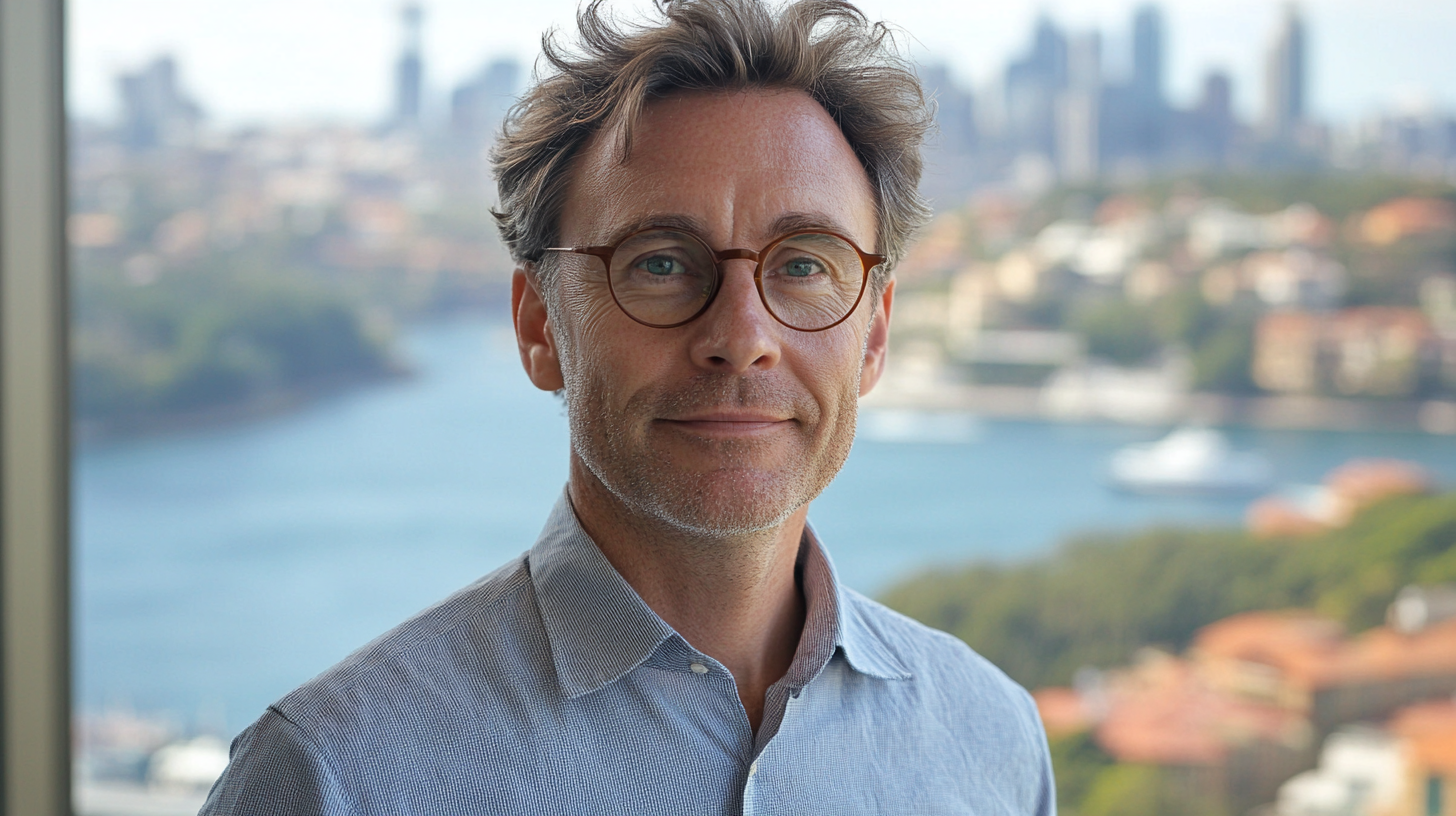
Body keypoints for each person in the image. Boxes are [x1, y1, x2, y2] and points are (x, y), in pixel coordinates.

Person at [201, 0, 1054, 813]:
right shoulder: (335, 777)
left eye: (803, 266)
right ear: (540, 329)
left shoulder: (990, 740)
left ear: (873, 335)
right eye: (659, 263)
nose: (741, 336)